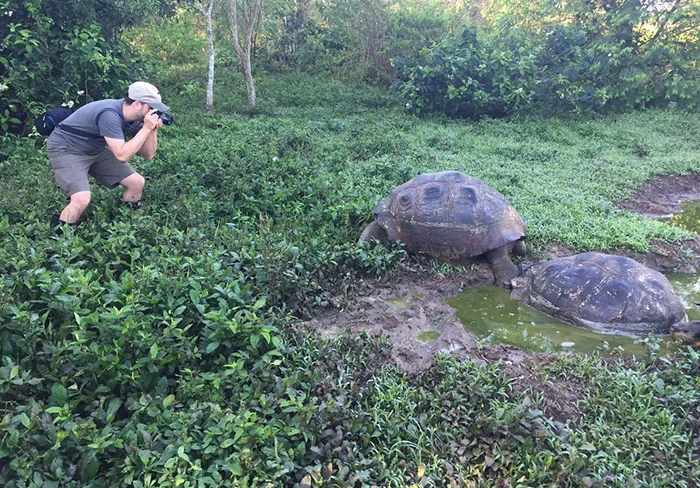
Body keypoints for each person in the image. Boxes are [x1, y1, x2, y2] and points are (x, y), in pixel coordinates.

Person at [47, 81, 169, 229]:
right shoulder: (109, 114)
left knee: (136, 183)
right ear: (137, 104)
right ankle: (60, 238)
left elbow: (148, 155)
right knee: (81, 198)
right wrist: (145, 129)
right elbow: (122, 155)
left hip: (94, 148)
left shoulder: (137, 119)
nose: (154, 113)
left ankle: (128, 227)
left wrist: (151, 129)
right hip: (66, 148)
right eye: (151, 108)